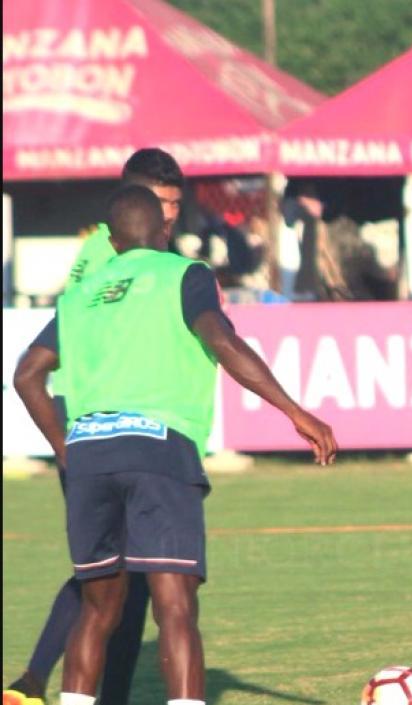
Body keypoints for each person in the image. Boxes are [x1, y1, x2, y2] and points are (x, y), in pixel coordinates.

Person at [12, 186, 337, 705]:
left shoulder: (79, 295)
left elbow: (27, 375)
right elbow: (221, 340)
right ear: (164, 232)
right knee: (175, 606)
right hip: (156, 447)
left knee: (96, 610)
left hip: (90, 455)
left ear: (112, 241)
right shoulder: (184, 274)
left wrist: (66, 446)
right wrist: (294, 410)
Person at [4, 148, 186, 705]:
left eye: (177, 203)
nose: (171, 214)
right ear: (127, 202)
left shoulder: (136, 252)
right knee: (115, 576)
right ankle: (38, 681)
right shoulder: (110, 253)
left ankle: (38, 683)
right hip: (95, 420)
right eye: (160, 203)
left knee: (117, 573)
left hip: (112, 423)